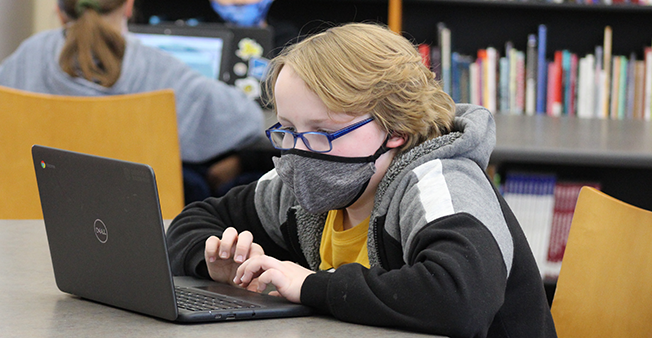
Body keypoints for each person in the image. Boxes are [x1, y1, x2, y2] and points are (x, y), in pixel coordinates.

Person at [166, 23, 557, 337]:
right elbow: (193, 221)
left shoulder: (442, 183)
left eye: (323, 130)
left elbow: (459, 300)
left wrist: (310, 286)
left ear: (396, 127)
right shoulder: (299, 185)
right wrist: (217, 260)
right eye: (287, 129)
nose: (301, 151)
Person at [0, 0, 264, 204]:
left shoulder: (31, 55)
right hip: (133, 234)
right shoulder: (159, 69)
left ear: (59, 10)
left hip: (25, 227)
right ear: (129, 5)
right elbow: (248, 121)